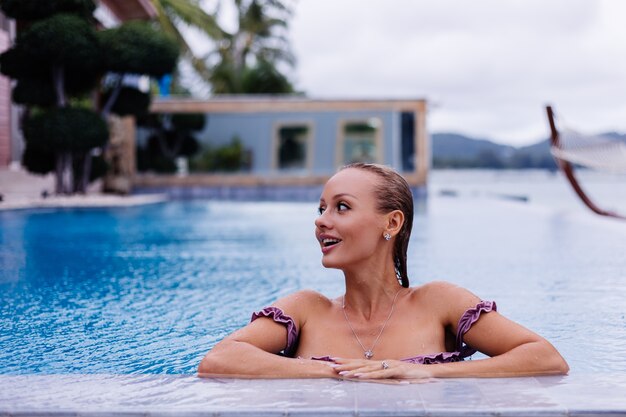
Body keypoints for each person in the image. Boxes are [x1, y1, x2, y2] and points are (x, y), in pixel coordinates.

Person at [198, 163, 569, 380]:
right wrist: (336, 373)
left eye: (341, 208)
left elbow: (547, 359)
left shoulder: (438, 302)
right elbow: (218, 360)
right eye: (322, 207)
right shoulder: (306, 309)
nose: (321, 221)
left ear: (391, 223)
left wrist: (424, 372)